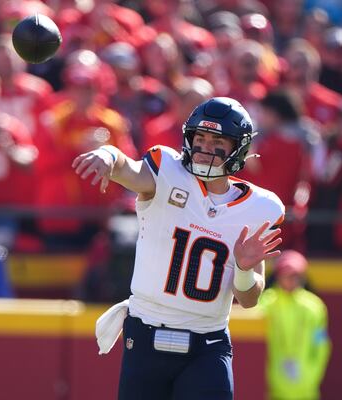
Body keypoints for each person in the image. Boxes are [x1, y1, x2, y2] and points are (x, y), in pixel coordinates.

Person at [73, 97, 285, 400]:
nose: (205, 148)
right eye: (200, 138)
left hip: (207, 345)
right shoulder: (166, 173)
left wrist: (243, 268)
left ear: (238, 148)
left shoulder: (258, 208)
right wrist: (108, 155)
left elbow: (249, 299)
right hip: (146, 337)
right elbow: (128, 169)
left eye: (217, 141)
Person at [257, 250, 331, 400]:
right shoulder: (266, 303)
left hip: (306, 390)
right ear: (278, 275)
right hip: (273, 388)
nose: (292, 279)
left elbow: (322, 345)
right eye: (287, 274)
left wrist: (313, 375)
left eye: (296, 274)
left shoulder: (315, 307)